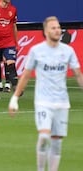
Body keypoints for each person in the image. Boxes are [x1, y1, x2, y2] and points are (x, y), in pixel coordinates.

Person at [9, 16, 83, 171]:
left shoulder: (68, 51)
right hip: (43, 102)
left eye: (58, 28)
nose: (57, 30)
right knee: (43, 136)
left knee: (56, 141)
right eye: (53, 28)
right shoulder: (37, 51)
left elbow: (77, 74)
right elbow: (26, 75)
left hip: (62, 102)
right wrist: (15, 98)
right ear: (45, 31)